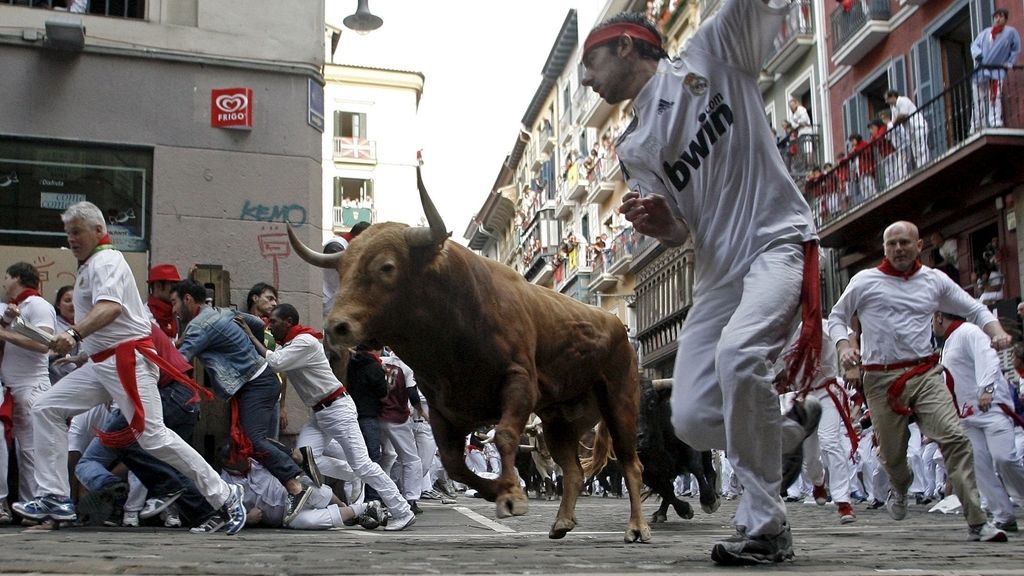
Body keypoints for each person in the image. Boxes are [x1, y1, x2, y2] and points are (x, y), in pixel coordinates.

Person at [581, 2, 822, 564]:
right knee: (688, 418)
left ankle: (767, 527)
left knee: (740, 358)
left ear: (624, 46)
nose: (587, 78)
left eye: (590, 62)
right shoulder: (633, 146)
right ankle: (782, 436)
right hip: (715, 272)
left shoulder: (714, 51)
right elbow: (678, 229)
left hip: (775, 243)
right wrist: (665, 225)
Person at [11, 201, 246, 534]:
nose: (72, 239)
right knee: (46, 407)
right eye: (68, 233)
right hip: (105, 364)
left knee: (153, 439)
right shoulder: (92, 265)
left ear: (98, 230)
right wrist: (78, 347)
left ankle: (225, 494)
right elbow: (106, 324)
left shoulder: (106, 260)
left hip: (127, 363)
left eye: (77, 232)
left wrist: (74, 334)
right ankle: (54, 498)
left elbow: (110, 308)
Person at [827, 220, 1010, 543]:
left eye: (904, 243)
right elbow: (838, 318)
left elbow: (974, 308)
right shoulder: (865, 281)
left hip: (924, 373)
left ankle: (977, 521)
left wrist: (995, 331)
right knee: (895, 456)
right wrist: (844, 347)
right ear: (884, 248)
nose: (898, 249)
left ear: (919, 246)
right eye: (892, 243)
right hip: (880, 378)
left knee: (955, 438)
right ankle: (899, 486)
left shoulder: (934, 281)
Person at [236, 303, 416, 531]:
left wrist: (251, 335)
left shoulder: (305, 341)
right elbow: (278, 359)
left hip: (337, 408)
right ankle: (355, 474)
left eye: (274, 322)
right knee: (303, 459)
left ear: (289, 321)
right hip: (321, 413)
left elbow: (275, 362)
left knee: (362, 465)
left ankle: (402, 510)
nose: (270, 326)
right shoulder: (293, 343)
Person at [170, 279, 312, 528]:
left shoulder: (199, 327)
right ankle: (297, 458)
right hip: (260, 380)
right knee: (251, 441)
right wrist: (248, 348)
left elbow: (177, 363)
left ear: (188, 300)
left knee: (255, 442)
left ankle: (295, 486)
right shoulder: (222, 311)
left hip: (255, 383)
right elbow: (256, 324)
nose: (173, 310)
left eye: (174, 302)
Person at [934, 311, 1024, 533]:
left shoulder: (969, 331)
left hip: (991, 408)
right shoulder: (947, 345)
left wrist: (986, 389)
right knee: (978, 466)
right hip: (966, 415)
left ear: (938, 316)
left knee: (1005, 458)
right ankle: (1003, 514)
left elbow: (988, 358)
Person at [0, 262, 57, 508]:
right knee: (26, 451)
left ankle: (38, 502)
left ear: (18, 278)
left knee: (33, 450)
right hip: (16, 388)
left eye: (6, 277)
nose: (4, 282)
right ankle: (29, 503)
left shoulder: (38, 305)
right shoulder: (21, 308)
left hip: (32, 387)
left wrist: (3, 333)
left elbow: (45, 342)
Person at [970, 9, 1020, 129]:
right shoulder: (986, 33)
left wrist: (1009, 63)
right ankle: (977, 124)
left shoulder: (1011, 33)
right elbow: (974, 45)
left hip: (996, 71)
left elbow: (1016, 49)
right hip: (981, 71)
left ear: (1005, 18)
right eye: (996, 16)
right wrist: (978, 55)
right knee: (978, 100)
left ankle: (995, 120)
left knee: (995, 96)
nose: (997, 19)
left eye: (1000, 16)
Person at [885, 89, 929, 169]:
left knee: (921, 148)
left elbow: (903, 116)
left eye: (887, 99)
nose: (886, 101)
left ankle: (925, 167)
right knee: (916, 151)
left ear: (892, 96)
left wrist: (896, 120)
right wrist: (896, 121)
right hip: (910, 131)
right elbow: (894, 122)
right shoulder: (893, 108)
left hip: (918, 126)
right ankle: (920, 167)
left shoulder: (903, 100)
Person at [146, 264, 181, 339]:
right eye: (173, 287)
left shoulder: (174, 313)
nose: (176, 291)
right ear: (158, 286)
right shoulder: (145, 315)